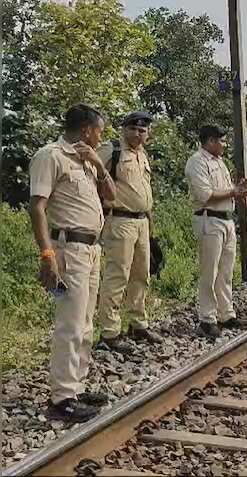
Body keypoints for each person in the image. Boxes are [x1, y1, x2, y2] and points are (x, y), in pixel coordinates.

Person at [28, 104, 117, 422]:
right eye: (99, 132)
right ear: (86, 130)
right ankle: (62, 398)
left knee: (86, 322)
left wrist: (98, 163)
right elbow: (37, 207)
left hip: (91, 249)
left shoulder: (87, 160)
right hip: (69, 249)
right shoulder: (50, 156)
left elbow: (111, 195)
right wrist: (47, 254)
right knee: (71, 322)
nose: (100, 137)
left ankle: (76, 386)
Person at [97, 111, 162, 353]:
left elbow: (144, 192)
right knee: (117, 276)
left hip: (142, 222)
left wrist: (151, 228)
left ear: (148, 133)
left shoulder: (142, 155)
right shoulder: (111, 150)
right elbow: (91, 177)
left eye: (142, 130)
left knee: (141, 275)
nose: (137, 133)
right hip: (120, 220)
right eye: (133, 129)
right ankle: (110, 332)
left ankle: (138, 323)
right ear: (124, 129)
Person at [185, 125, 247, 339]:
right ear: (211, 141)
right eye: (222, 141)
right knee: (210, 271)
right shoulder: (197, 161)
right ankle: (207, 319)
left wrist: (238, 191)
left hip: (226, 219)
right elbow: (205, 194)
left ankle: (226, 314)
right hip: (209, 219)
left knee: (225, 271)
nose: (225, 144)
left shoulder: (220, 163)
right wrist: (234, 191)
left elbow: (225, 192)